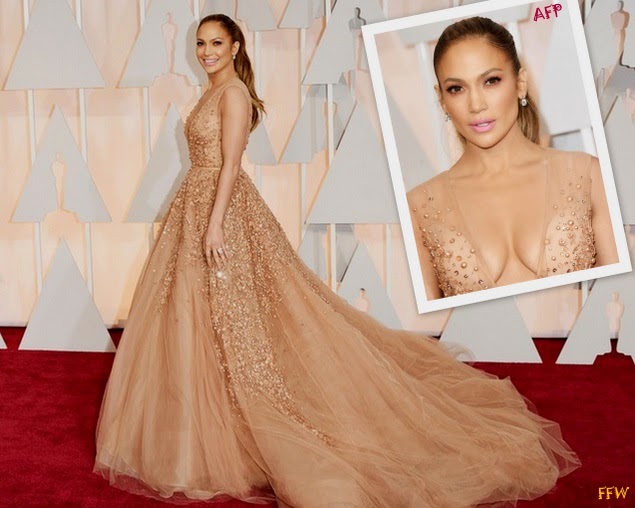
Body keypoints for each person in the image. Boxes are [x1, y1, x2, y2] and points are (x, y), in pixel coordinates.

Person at [93, 13, 581, 507]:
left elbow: (232, 164)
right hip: (197, 206)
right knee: (208, 316)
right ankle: (206, 421)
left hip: (220, 212)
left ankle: (250, 422)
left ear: (236, 46)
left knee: (238, 320)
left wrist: (215, 222)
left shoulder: (234, 94)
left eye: (216, 43)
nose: (206, 52)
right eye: (201, 44)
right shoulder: (213, 91)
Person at [406, 16, 619, 300]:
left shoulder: (588, 175)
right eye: (457, 88)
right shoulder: (418, 207)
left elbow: (620, 295)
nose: (476, 105)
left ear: (520, 83)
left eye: (491, 81)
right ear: (442, 99)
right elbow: (427, 322)